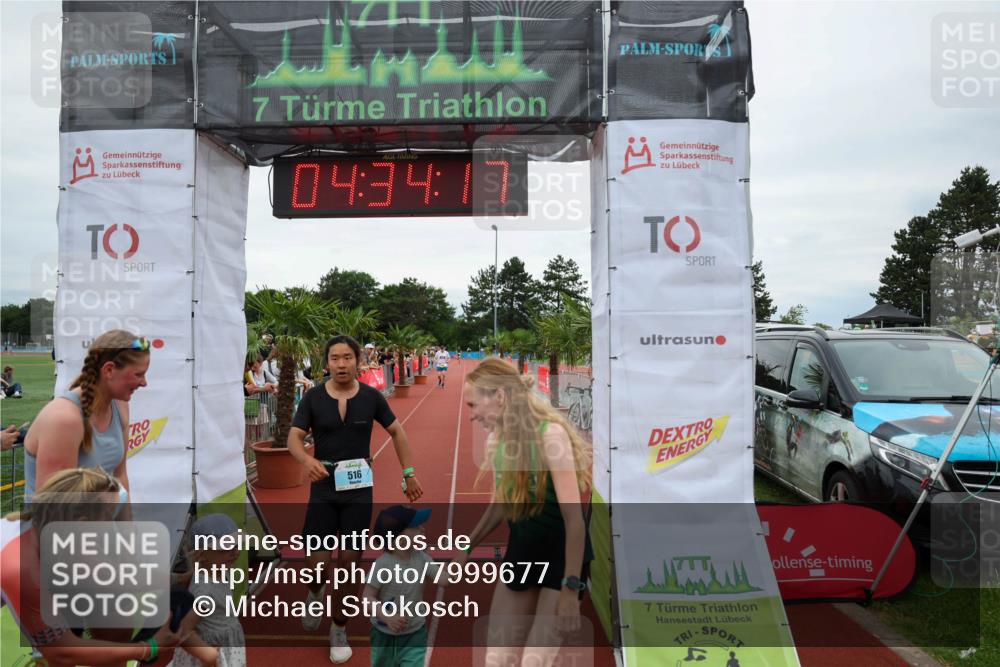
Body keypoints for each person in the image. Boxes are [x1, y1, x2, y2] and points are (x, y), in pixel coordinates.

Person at [288, 334, 424, 663]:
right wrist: (308, 461)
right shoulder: (313, 398)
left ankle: (339, 628)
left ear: (357, 361)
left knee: (349, 566)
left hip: (358, 492)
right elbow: (294, 437)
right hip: (323, 491)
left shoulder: (372, 398)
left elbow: (397, 431)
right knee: (317, 565)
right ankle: (315, 591)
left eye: (347, 357)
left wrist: (408, 473)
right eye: (335, 358)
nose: (341, 364)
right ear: (326, 363)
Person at [451, 358, 592, 666]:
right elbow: (503, 503)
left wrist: (571, 588)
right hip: (523, 551)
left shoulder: (550, 436)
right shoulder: (496, 441)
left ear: (499, 397)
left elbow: (574, 521)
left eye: (474, 405)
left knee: (533, 662)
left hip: (561, 558)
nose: (472, 416)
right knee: (496, 660)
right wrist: (467, 545)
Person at [0, 467, 197, 666]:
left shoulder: (53, 528)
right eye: (109, 520)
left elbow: (113, 575)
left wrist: (178, 579)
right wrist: (150, 647)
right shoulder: (21, 566)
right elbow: (62, 653)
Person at [22, 329, 151, 502]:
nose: (144, 383)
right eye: (138, 374)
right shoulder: (64, 420)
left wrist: (126, 527)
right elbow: (54, 508)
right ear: (109, 370)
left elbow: (120, 477)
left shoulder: (120, 406)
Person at [169, 514, 247, 667]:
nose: (235, 552)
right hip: (212, 650)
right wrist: (209, 656)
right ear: (201, 554)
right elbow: (185, 630)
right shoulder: (205, 591)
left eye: (236, 545)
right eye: (225, 548)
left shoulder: (217, 569)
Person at [363, 505, 434, 667]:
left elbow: (446, 579)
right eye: (416, 527)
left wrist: (466, 549)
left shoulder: (422, 558)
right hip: (383, 637)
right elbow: (367, 598)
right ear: (399, 537)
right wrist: (386, 616)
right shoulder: (382, 565)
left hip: (414, 635)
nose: (422, 529)